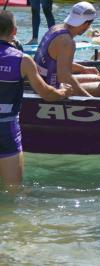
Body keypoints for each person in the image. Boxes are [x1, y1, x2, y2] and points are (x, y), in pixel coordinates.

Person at [0, 11, 71, 189]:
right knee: (13, 190)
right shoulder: (22, 60)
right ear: (14, 31)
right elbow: (46, 93)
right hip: (6, 128)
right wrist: (62, 92)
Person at [33, 1, 100, 97]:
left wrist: (84, 68)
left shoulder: (55, 28)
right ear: (86, 24)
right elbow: (63, 77)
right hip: (51, 87)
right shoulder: (67, 42)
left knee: (96, 79)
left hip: (40, 81)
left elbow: (59, 62)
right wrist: (90, 99)